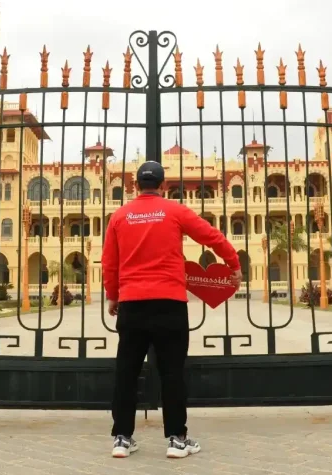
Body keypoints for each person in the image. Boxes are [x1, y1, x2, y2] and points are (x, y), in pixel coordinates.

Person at [102, 160, 242, 459]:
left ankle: (122, 439)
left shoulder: (120, 216)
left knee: (126, 373)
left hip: (132, 305)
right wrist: (234, 263)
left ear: (136, 185)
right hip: (170, 305)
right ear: (164, 185)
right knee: (172, 373)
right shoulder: (175, 211)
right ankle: (177, 440)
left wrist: (113, 296)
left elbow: (110, 263)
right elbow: (212, 236)